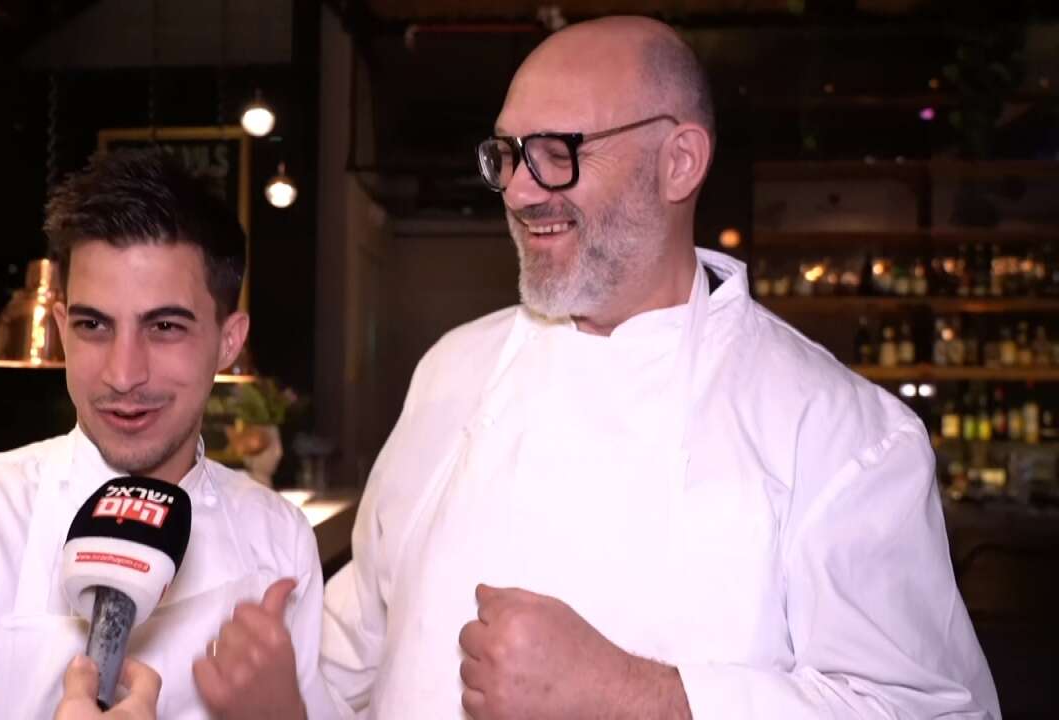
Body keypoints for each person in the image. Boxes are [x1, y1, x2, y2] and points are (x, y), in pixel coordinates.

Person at [320, 15, 1000, 719]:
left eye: (557, 151)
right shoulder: (451, 367)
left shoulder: (840, 432)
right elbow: (351, 655)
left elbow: (932, 709)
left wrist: (627, 695)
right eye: (509, 155)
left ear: (679, 161)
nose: (519, 191)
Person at [0, 150, 341, 719]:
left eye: (165, 326)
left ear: (228, 342)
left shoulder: (278, 538)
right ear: (63, 330)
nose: (124, 374)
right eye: (94, 325)